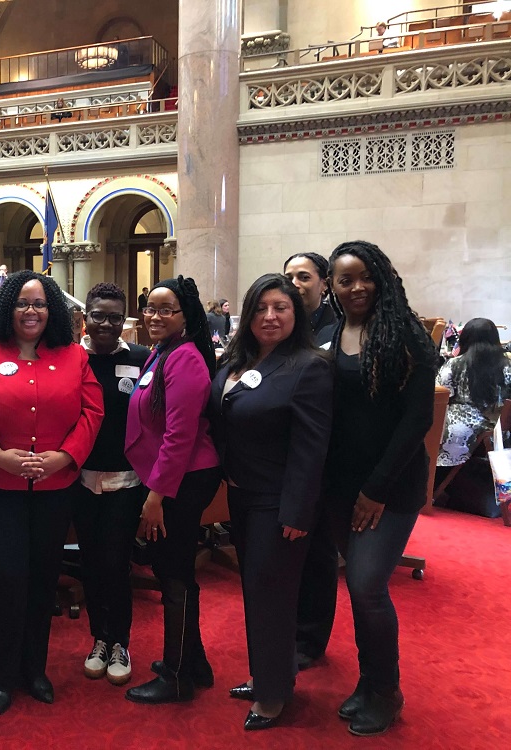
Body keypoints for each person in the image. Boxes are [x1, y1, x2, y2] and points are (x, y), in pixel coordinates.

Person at [0, 270, 103, 716]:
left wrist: (65, 457)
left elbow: (93, 413)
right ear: (7, 309)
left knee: (41, 579)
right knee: (6, 580)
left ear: (52, 309)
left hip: (54, 489)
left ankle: (34, 669)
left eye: (39, 303)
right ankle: (2, 675)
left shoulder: (75, 356)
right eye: (21, 303)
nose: (31, 311)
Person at [209, 274, 334, 731]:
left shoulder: (309, 365)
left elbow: (311, 446)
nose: (270, 316)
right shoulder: (236, 362)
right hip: (241, 498)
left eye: (281, 307)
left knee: (272, 598)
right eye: (261, 307)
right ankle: (269, 675)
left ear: (295, 314)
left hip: (279, 503)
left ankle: (274, 695)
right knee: (258, 594)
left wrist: (299, 511)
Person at [323, 240, 436, 737]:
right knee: (359, 588)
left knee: (367, 584)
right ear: (333, 286)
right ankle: (368, 683)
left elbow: (416, 421)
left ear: (382, 276)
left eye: (365, 276)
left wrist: (376, 489)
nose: (356, 287)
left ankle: (387, 690)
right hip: (342, 485)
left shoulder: (407, 335)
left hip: (389, 484)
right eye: (345, 280)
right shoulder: (332, 331)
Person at [122, 277, 221, 706]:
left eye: (167, 310)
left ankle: (176, 676)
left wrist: (156, 496)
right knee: (173, 570)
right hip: (170, 478)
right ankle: (193, 662)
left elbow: (180, 436)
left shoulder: (186, 359)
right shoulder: (165, 352)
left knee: (174, 574)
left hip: (181, 480)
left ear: (186, 316)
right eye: (150, 308)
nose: (155, 316)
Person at [72, 283, 150, 686]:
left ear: (125, 320)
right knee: (90, 562)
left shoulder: (141, 357)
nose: (106, 324)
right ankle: (98, 638)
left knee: (116, 564)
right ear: (86, 315)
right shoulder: (70, 359)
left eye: (115, 317)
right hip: (80, 481)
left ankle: (120, 641)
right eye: (98, 315)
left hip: (126, 481)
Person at [283, 251, 340, 670]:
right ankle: (285, 628)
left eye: (304, 276)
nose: (296, 283)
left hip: (324, 454)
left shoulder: (338, 332)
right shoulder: (279, 325)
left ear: (324, 283)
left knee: (317, 551)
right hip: (278, 455)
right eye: (289, 276)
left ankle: (311, 638)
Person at [436, 317, 511, 473]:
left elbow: (441, 393)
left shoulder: (455, 364)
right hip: (498, 437)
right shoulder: (507, 366)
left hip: (458, 433)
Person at [284, 252, 338, 346]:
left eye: (304, 278)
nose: (293, 284)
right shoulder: (276, 322)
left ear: (324, 285)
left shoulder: (339, 326)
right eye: (288, 279)